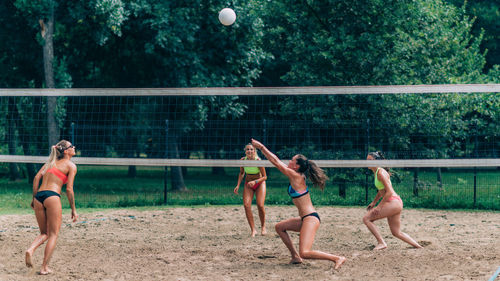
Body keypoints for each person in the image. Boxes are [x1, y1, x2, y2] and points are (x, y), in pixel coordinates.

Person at [251, 139, 346, 269]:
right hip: (305, 218)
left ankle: (337, 258)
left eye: (292, 160)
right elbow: (278, 161)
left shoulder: (295, 176)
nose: (289, 161)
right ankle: (295, 257)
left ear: (296, 166)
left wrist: (261, 147)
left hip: (311, 218)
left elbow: (275, 161)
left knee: (305, 252)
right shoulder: (296, 174)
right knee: (279, 227)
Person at [25, 140, 78, 275]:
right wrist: (73, 209)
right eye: (72, 146)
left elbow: (36, 178)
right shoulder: (71, 165)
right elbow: (69, 190)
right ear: (66, 151)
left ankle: (31, 249)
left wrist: (34, 198)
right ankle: (44, 267)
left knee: (45, 233)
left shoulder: (50, 163)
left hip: (39, 197)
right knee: (53, 234)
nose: (74, 147)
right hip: (52, 196)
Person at [363, 151, 422, 250]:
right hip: (395, 203)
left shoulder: (380, 173)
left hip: (392, 202)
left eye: (370, 160)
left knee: (366, 219)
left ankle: (381, 243)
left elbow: (389, 192)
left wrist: (379, 206)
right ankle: (419, 247)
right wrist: (374, 202)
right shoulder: (377, 172)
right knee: (396, 232)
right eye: (367, 160)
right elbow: (381, 190)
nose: (367, 162)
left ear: (376, 161)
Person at [234, 143, 268, 237]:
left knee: (260, 205)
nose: (249, 151)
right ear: (245, 151)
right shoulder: (243, 160)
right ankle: (253, 230)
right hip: (248, 184)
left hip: (259, 183)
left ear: (254, 151)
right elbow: (241, 173)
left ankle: (263, 227)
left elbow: (265, 177)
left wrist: (256, 181)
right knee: (246, 205)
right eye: (248, 149)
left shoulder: (258, 161)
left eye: (252, 149)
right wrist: (238, 185)